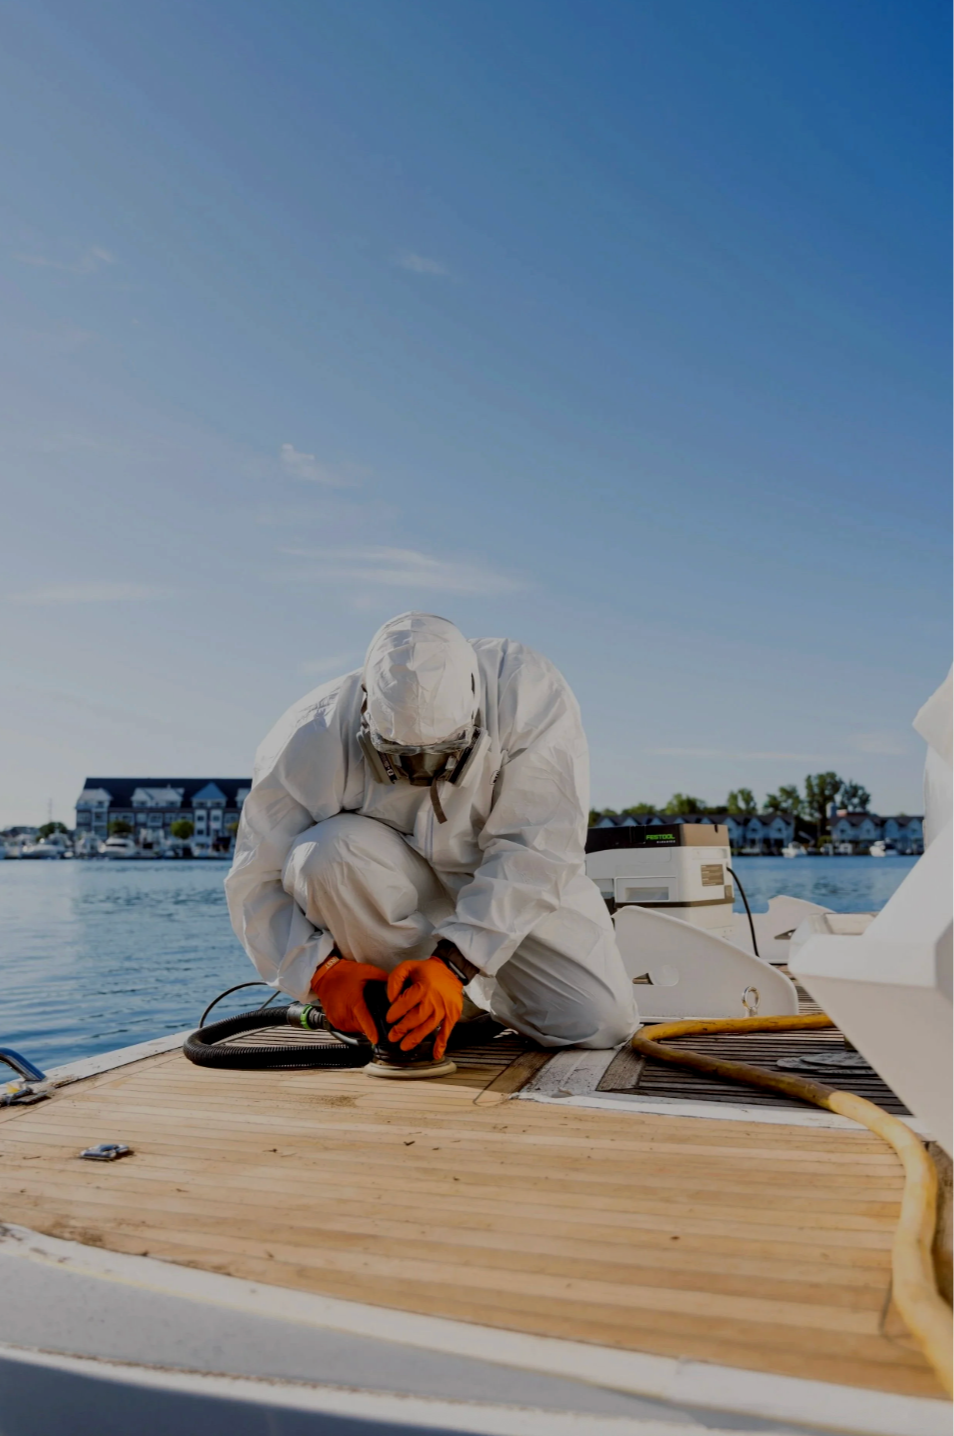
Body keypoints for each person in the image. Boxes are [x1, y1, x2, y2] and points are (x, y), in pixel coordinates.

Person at [226, 612, 637, 1062]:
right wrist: (318, 971)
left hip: (505, 876)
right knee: (325, 854)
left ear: (476, 702)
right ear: (365, 708)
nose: (423, 773)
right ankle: (419, 1014)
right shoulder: (308, 736)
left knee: (597, 1025)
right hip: (389, 875)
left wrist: (453, 963)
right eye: (401, 757)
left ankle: (452, 989)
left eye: (446, 752)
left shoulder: (527, 690)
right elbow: (256, 876)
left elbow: (536, 848)